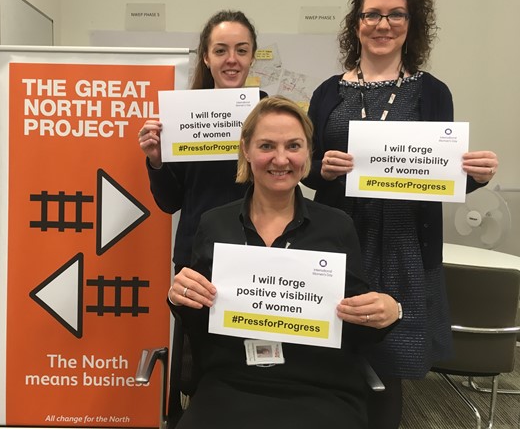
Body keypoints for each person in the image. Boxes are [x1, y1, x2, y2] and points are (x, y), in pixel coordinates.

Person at [304, 0, 499, 429]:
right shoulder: (327, 92)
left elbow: (439, 173)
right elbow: (304, 167)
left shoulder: (433, 93)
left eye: (396, 14)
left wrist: (475, 177)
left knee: (391, 366)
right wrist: (321, 168)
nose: (383, 24)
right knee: (327, 352)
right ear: (356, 23)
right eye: (372, 14)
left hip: (404, 247)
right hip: (338, 242)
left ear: (411, 24)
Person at [167, 96, 400, 429]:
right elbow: (199, 324)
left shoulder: (336, 226)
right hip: (232, 384)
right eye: (266, 146)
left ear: (307, 153)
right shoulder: (215, 224)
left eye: (293, 145)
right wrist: (179, 297)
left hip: (321, 388)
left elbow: (356, 328)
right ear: (246, 150)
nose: (280, 159)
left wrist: (389, 312)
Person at [137, 9, 266, 273]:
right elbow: (168, 203)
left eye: (241, 51)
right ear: (206, 58)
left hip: (256, 251)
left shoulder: (270, 113)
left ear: (252, 57)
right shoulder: (184, 115)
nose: (232, 60)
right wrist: (157, 160)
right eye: (220, 51)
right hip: (196, 255)